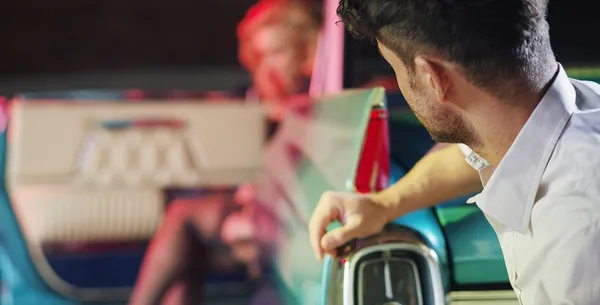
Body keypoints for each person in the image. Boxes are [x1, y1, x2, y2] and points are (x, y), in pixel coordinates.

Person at [308, 0, 600, 304]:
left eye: (395, 68)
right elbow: (470, 158)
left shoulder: (575, 252)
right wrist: (382, 205)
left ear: (432, 78)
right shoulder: (576, 110)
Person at [129, 1, 321, 304]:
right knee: (185, 244)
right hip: (247, 207)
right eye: (259, 56)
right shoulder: (244, 99)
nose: (267, 66)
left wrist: (281, 113)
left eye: (278, 53)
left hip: (288, 213)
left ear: (307, 51)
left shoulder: (319, 97)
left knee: (182, 221)